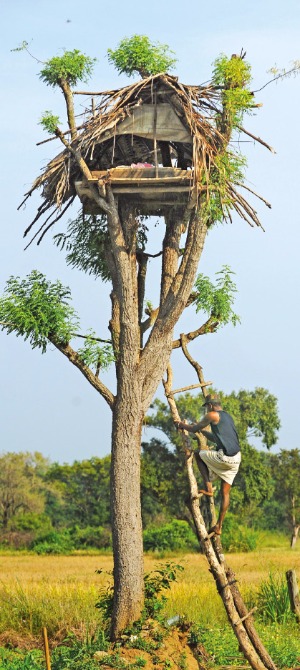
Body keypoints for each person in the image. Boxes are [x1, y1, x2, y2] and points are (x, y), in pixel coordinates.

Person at [174, 395, 241, 536]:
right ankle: (219, 526)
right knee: (225, 493)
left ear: (210, 405)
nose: (206, 410)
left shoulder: (212, 415)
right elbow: (215, 438)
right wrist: (203, 432)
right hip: (236, 459)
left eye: (206, 407)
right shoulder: (227, 416)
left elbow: (194, 428)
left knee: (198, 454)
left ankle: (208, 487)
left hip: (226, 458)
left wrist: (181, 425)